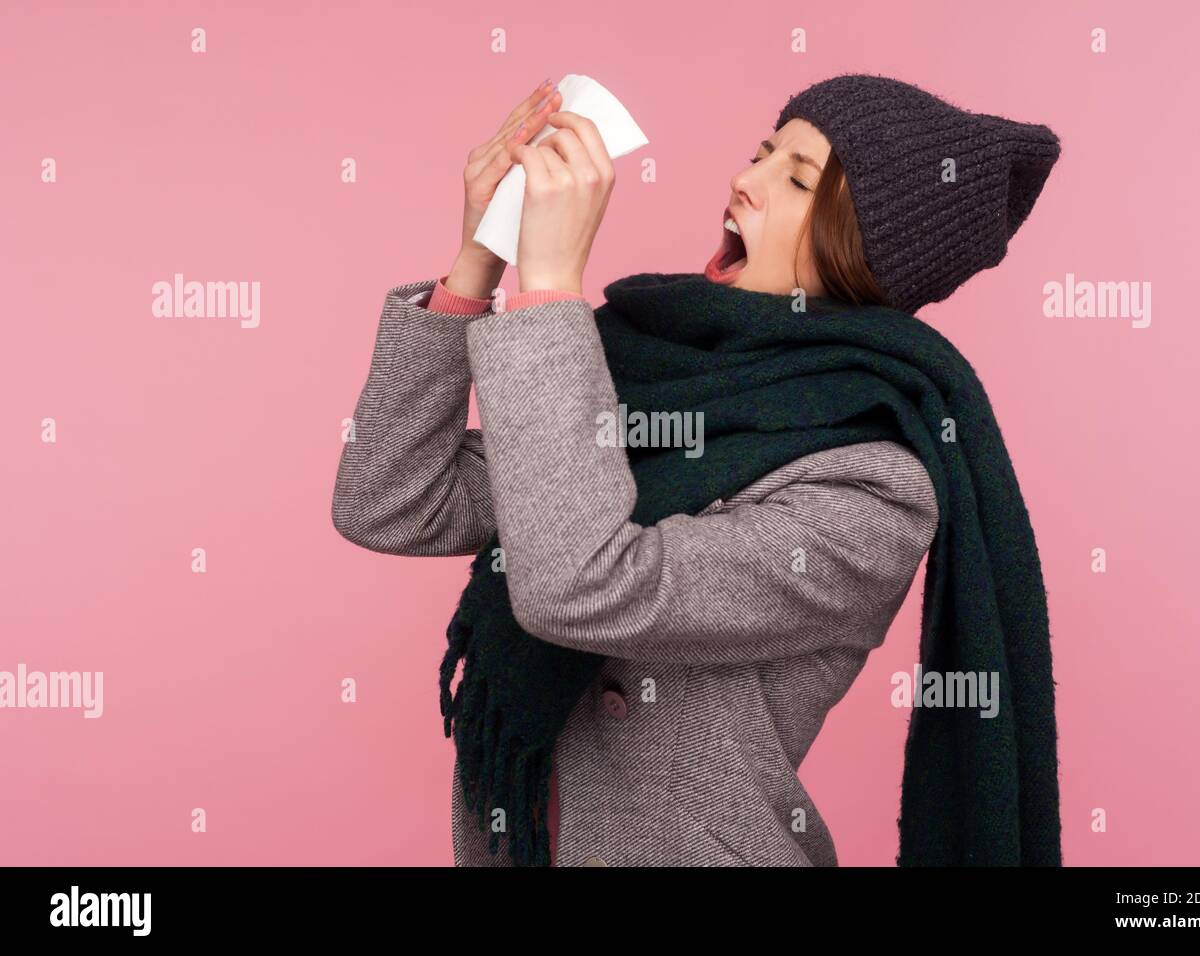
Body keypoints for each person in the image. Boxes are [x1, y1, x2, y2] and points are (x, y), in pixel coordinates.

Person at [332, 73, 1063, 866]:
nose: (744, 182)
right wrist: (480, 259)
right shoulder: (642, 376)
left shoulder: (874, 489)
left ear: (864, 253)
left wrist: (548, 293)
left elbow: (581, 586)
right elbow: (393, 500)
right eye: (760, 154)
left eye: (794, 179)